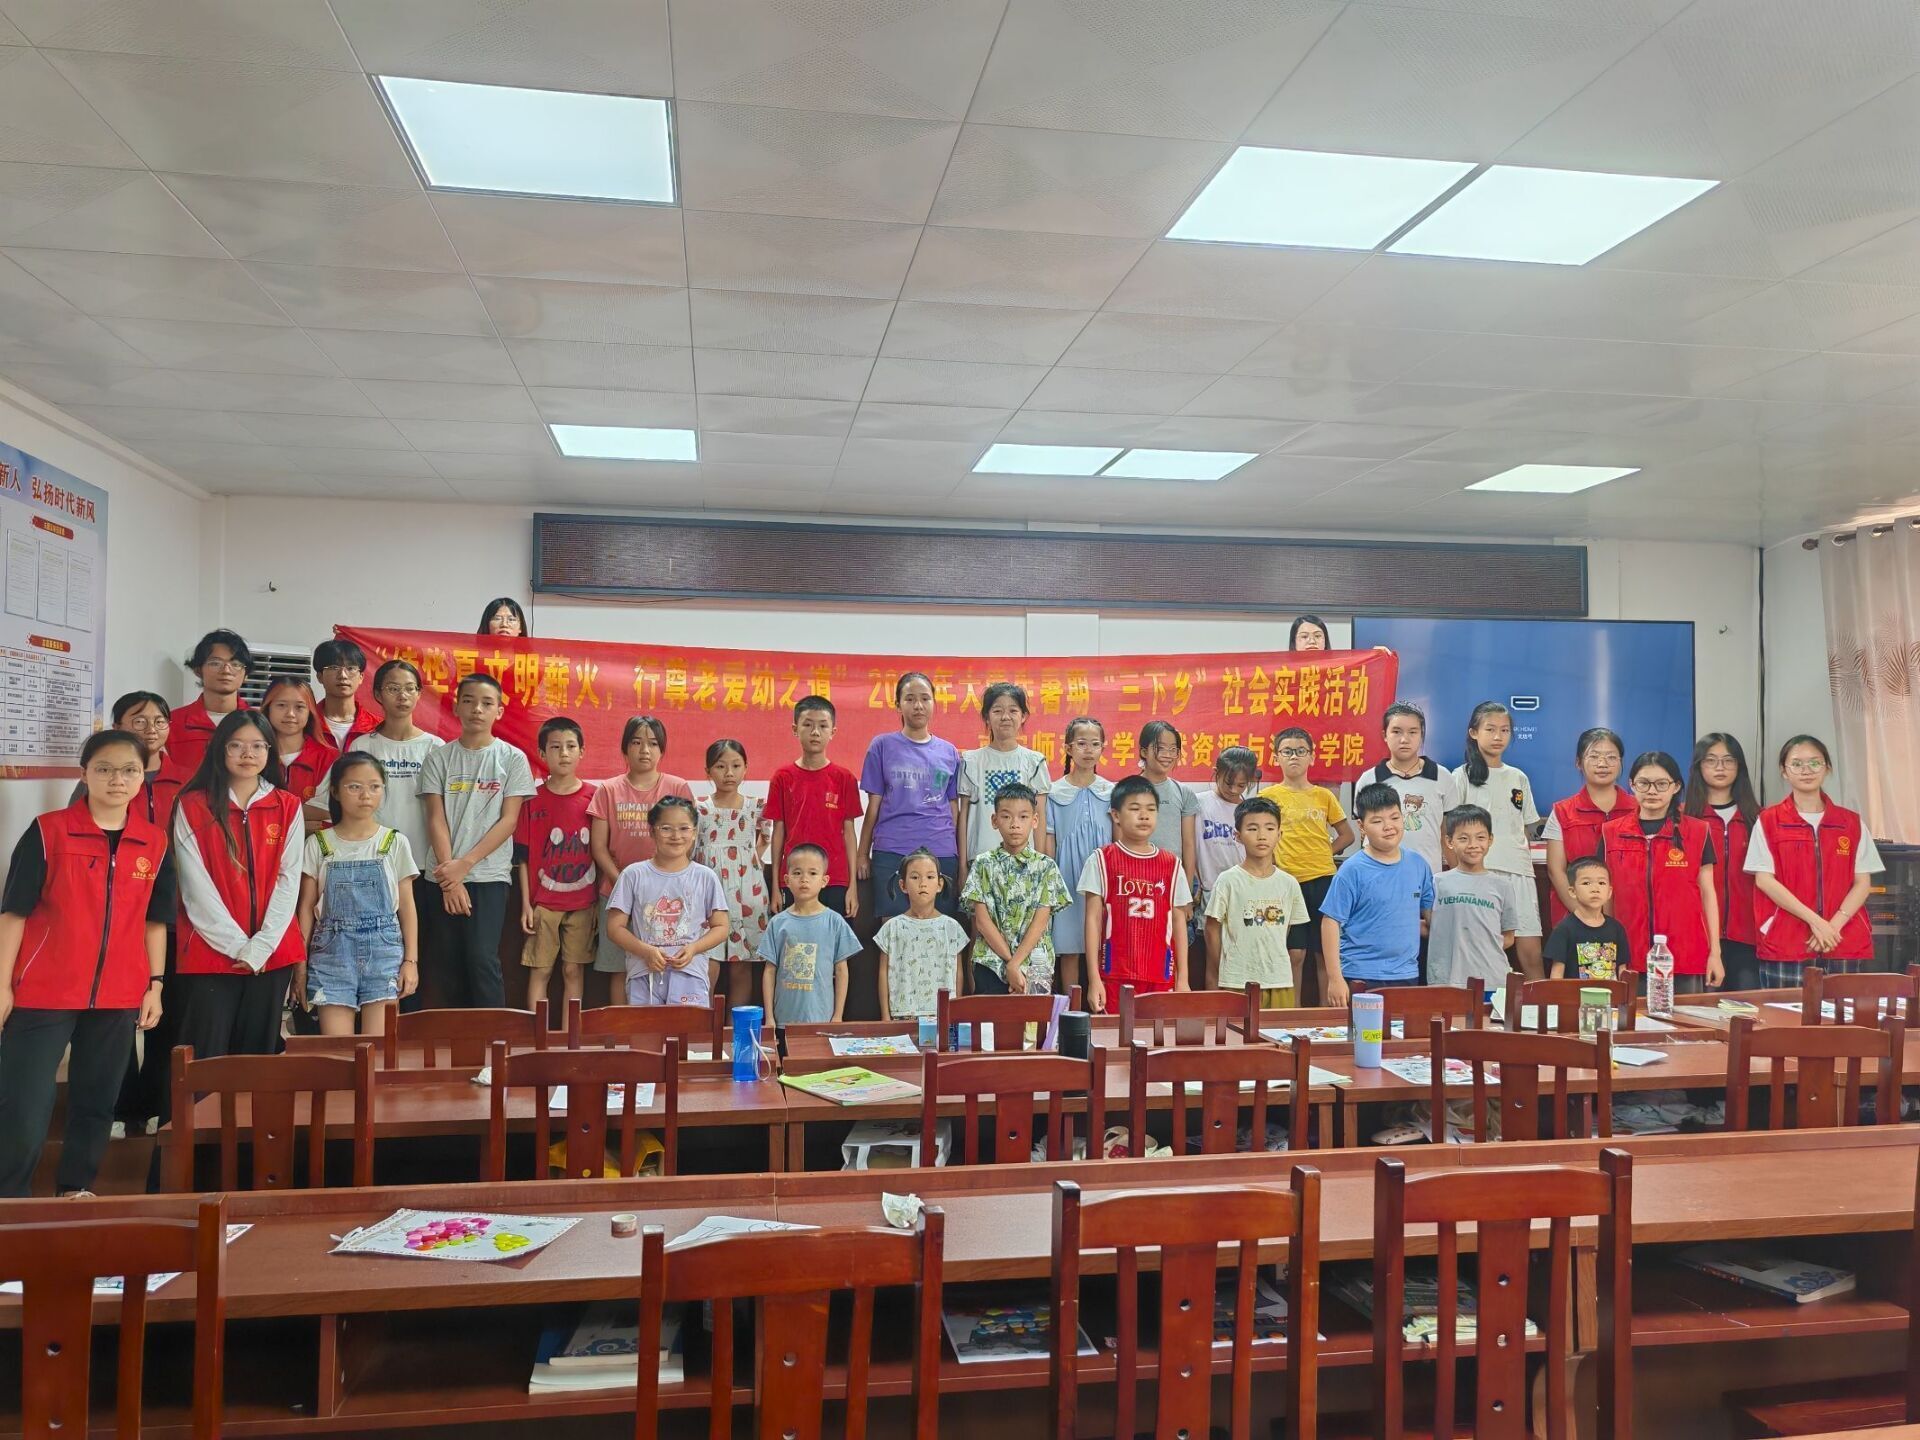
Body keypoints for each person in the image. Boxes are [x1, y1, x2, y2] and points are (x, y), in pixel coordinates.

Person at [0, 731, 172, 1197]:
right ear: (85, 774)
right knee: (23, 1105)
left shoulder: (154, 841)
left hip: (119, 994)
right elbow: (14, 912)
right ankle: (10, 1200)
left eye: (129, 770)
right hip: (43, 992)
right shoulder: (48, 831)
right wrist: (3, 986)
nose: (117, 779)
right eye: (105, 769)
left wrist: (155, 985)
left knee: (96, 1103)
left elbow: (155, 921)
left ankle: (74, 1190)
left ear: (143, 777)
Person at [171, 710, 304, 1060]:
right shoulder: (193, 805)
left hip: (272, 951)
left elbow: (289, 880)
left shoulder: (287, 805)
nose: (248, 754)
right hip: (211, 952)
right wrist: (237, 946)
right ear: (220, 749)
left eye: (258, 746)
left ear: (270, 751)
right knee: (207, 1055)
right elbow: (194, 886)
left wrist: (261, 947)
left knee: (258, 1056)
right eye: (236, 745)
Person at [419, 673, 534, 1008]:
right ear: (456, 707)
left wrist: (465, 865)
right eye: (468, 701)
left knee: (482, 959)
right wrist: (450, 876)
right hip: (441, 877)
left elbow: (509, 821)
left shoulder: (512, 758)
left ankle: (494, 1036)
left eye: (486, 703)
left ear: (499, 711)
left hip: (488, 876)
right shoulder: (438, 758)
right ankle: (459, 1038)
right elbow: (435, 818)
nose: (477, 710)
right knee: (448, 963)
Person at [101, 692, 184, 1136]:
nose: (151, 728)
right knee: (117, 1014)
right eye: (138, 720)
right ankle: (122, 1105)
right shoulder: (103, 780)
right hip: (119, 911)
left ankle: (155, 1103)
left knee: (164, 1011)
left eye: (159, 720)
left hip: (172, 910)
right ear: (117, 725)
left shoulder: (188, 779)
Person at [293, 754, 418, 1036]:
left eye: (374, 786)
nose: (365, 795)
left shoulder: (394, 842)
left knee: (380, 1050)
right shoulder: (319, 843)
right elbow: (306, 909)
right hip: (330, 953)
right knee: (338, 1052)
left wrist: (411, 962)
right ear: (335, 791)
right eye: (354, 787)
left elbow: (407, 907)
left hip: (385, 951)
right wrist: (300, 966)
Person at [1745, 735, 1883, 988]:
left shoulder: (1850, 822)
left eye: (1815, 763)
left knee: (1843, 1013)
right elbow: (1764, 880)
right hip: (1787, 940)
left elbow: (1863, 882)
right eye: (1797, 764)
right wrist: (1816, 922)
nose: (1806, 770)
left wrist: (1832, 927)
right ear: (1784, 771)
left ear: (1827, 768)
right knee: (1785, 1013)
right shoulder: (1768, 820)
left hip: (1842, 939)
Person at [348, 659, 444, 1013]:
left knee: (416, 957)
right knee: (372, 955)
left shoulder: (435, 747)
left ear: (419, 695)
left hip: (421, 868)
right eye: (392, 688)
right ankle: (373, 1032)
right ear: (377, 695)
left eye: (409, 688)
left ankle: (409, 1032)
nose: (402, 696)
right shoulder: (363, 746)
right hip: (371, 869)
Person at [588, 715, 695, 1004]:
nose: (645, 750)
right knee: (619, 969)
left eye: (653, 744)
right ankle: (621, 1031)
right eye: (636, 743)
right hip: (616, 893)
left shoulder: (678, 787)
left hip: (667, 899)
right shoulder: (608, 790)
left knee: (665, 966)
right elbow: (598, 847)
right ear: (625, 748)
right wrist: (625, 884)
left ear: (662, 750)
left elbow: (687, 839)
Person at [1597, 751, 1722, 992]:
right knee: (1629, 1016)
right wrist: (1608, 953)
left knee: (1683, 1017)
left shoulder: (1698, 831)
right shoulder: (1610, 832)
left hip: (1685, 955)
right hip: (1628, 957)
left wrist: (1715, 953)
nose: (1652, 791)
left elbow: (1708, 894)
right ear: (1631, 784)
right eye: (1644, 783)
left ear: (1676, 787)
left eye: (1661, 784)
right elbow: (1605, 899)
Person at [1078, 775, 1192, 1015]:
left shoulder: (1171, 864)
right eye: (1135, 808)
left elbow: (1179, 921)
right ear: (1116, 815)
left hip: (1160, 976)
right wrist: (1094, 979)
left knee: (1156, 1036)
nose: (1144, 815)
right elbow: (1092, 920)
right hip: (1114, 975)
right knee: (1116, 1036)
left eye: (1151, 809)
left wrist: (1183, 979)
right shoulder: (1101, 860)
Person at [1259, 724, 1354, 1001]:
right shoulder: (1268, 797)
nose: (1294, 756)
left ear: (1312, 757)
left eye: (1301, 751)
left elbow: (1347, 835)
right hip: (1286, 882)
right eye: (1287, 751)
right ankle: (1292, 1015)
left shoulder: (1324, 796)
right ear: (1276, 757)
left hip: (1324, 880)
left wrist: (1325, 852)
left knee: (1325, 953)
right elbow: (1261, 838)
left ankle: (1328, 1015)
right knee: (1294, 954)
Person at [1319, 783, 1435, 1008]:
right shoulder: (1352, 870)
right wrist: (1335, 978)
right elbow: (1330, 922)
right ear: (1361, 826)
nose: (1388, 827)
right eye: (1377, 821)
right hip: (1360, 974)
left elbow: (1431, 917)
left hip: (1407, 974)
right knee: (1363, 1031)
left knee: (1402, 1031)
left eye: (1394, 817)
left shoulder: (1418, 864)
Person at [606, 796, 729, 1008]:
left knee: (688, 1029)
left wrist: (694, 948)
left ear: (694, 832)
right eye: (666, 829)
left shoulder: (705, 877)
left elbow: (721, 926)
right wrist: (646, 951)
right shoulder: (633, 875)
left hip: (690, 973)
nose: (676, 836)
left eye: (684, 828)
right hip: (643, 973)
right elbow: (614, 928)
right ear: (652, 831)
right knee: (646, 1029)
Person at [1451, 701, 1544, 981]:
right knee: (1481, 953)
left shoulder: (1518, 777)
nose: (1497, 736)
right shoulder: (1461, 776)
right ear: (1473, 733)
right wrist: (1461, 875)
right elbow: (1450, 831)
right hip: (1480, 874)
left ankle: (1538, 1008)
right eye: (1490, 729)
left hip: (1519, 873)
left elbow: (1525, 828)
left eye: (1504, 730)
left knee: (1531, 955)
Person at [859, 672, 961, 921]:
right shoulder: (881, 746)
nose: (918, 705)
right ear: (898, 705)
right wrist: (862, 853)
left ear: (934, 703)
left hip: (940, 851)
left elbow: (953, 808)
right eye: (910, 699)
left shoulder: (949, 752)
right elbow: (873, 806)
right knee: (893, 929)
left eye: (925, 698)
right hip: (892, 849)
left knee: (940, 930)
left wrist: (959, 858)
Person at [514, 718, 597, 1013]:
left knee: (573, 971)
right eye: (555, 747)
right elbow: (522, 858)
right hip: (543, 903)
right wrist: (526, 904)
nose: (564, 753)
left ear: (582, 752)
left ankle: (570, 1035)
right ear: (542, 753)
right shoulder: (531, 800)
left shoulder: (594, 797)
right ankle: (539, 1035)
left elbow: (602, 850)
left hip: (583, 902)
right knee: (541, 970)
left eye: (571, 746)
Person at [960, 783, 1071, 997]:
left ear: (1035, 820)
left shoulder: (1045, 866)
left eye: (1023, 817)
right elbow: (982, 921)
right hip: (991, 962)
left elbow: (1041, 922)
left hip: (1035, 965)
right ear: (994, 820)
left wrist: (1016, 964)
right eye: (1006, 816)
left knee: (1032, 1019)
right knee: (990, 1018)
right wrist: (1011, 964)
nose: (1014, 824)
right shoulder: (983, 864)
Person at [1203, 795, 1308, 1003]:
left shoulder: (1289, 883)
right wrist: (1222, 968)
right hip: (1237, 980)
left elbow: (1286, 930)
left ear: (1279, 834)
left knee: (1278, 1025)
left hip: (1278, 980)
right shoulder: (1228, 880)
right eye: (1252, 828)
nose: (1262, 836)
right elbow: (1211, 929)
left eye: (1269, 828)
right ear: (1238, 835)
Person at [766, 696, 860, 920]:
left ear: (833, 732)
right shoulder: (782, 777)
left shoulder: (844, 778)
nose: (815, 732)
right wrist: (776, 886)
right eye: (808, 725)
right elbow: (778, 833)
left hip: (835, 878)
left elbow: (849, 834)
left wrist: (853, 886)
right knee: (795, 938)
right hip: (795, 877)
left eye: (823, 726)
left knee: (835, 939)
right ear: (795, 729)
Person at [695, 738, 771, 1012]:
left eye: (736, 766)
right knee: (707, 964)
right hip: (709, 895)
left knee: (742, 966)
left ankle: (734, 1030)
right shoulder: (699, 808)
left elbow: (763, 841)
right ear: (708, 771)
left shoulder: (757, 806)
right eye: (720, 766)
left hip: (748, 894)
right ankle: (703, 1029)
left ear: (746, 768)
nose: (729, 773)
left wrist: (750, 859)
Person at [1683, 733, 1762, 992]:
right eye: (1711, 760)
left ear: (1739, 767)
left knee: (1747, 1008)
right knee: (1701, 1009)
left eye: (1728, 760)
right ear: (1698, 767)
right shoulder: (1683, 818)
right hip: (1698, 934)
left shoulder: (1759, 819)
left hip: (1748, 936)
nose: (1720, 767)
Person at [957, 682, 1051, 888]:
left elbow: (1040, 817)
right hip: (980, 863)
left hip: (1024, 864)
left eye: (1013, 711)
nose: (1005, 717)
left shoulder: (1034, 762)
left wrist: (1040, 864)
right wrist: (962, 867)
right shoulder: (971, 761)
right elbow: (963, 817)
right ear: (986, 717)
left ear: (1023, 716)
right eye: (997, 711)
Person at [1045, 716, 1112, 1000]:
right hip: (1067, 877)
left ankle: (1101, 1007)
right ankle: (1070, 1010)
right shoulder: (1053, 791)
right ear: (1068, 748)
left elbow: (1117, 839)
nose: (1088, 750)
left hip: (1102, 877)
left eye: (1095, 744)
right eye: (1082, 743)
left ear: (1103, 748)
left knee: (1103, 943)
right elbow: (1049, 842)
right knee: (1069, 946)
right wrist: (1049, 882)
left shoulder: (1111, 791)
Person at [759, 843, 862, 1024]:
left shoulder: (834, 921)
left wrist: (838, 1016)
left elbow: (841, 970)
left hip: (822, 1020)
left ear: (824, 880)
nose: (804, 879)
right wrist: (769, 1018)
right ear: (787, 879)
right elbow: (769, 971)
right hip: (783, 1021)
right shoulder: (777, 923)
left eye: (812, 873)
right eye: (797, 873)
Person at [1543, 727, 1633, 927]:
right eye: (1594, 756)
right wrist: (1585, 916)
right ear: (1578, 763)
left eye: (1611, 757)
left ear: (1621, 763)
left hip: (1630, 914)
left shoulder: (1639, 810)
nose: (1602, 764)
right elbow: (1556, 870)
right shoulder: (1562, 812)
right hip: (1577, 919)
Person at [1360, 702, 1457, 882]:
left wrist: (1457, 875)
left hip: (1427, 877)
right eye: (1396, 732)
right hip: (1378, 877)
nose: (1404, 739)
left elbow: (1448, 835)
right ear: (1385, 735)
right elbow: (1365, 833)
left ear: (1421, 735)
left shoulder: (1442, 777)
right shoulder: (1369, 779)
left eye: (1413, 732)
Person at [1428, 806, 1518, 990]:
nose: (1473, 845)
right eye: (1463, 838)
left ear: (1490, 839)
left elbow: (1509, 936)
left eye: (1480, 837)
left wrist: (1480, 942)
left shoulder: (1503, 886)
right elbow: (1430, 925)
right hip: (1446, 979)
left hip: (1492, 980)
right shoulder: (1437, 882)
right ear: (1449, 841)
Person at [875, 849, 968, 1022]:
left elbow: (958, 974)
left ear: (939, 884)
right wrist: (885, 1017)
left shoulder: (952, 928)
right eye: (915, 877)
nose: (923, 883)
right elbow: (883, 973)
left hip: (942, 1015)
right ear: (903, 885)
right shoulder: (892, 928)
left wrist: (955, 1013)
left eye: (930, 877)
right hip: (902, 1015)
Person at [165, 629, 252, 779]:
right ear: (198, 670)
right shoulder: (171, 723)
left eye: (236, 664)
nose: (226, 670)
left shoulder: (259, 723)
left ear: (246, 674)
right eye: (215, 663)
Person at [262, 676, 337, 827]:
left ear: (310, 712)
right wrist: (301, 824)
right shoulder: (254, 755)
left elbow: (332, 812)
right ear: (267, 708)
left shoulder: (330, 758)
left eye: (299, 707)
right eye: (281, 705)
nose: (290, 713)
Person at [1137, 720, 1200, 899]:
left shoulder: (1184, 792)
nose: (1168, 755)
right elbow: (1119, 841)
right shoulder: (1127, 790)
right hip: (1136, 881)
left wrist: (1187, 891)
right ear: (1144, 752)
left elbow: (1188, 844)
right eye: (1161, 748)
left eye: (1173, 749)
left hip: (1173, 881)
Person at [1543, 857, 1630, 982]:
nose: (1595, 889)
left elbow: (1622, 970)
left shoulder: (1616, 928)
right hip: (1575, 995)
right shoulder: (1564, 930)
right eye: (1586, 883)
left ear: (1609, 892)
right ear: (1572, 892)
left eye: (1601, 883)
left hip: (1611, 994)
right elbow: (1556, 976)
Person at [311, 638, 380, 753]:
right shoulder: (306, 724)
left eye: (350, 668)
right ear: (320, 676)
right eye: (334, 668)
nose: (343, 675)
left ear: (361, 677)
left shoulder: (378, 728)